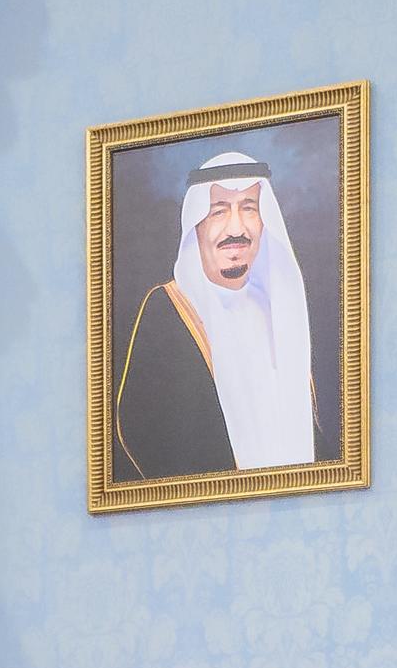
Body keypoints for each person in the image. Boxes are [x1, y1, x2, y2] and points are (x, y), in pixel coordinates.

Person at [110, 149, 319, 481]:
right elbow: (144, 430)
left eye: (249, 208)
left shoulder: (280, 311)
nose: (236, 227)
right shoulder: (168, 311)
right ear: (197, 224)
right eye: (219, 211)